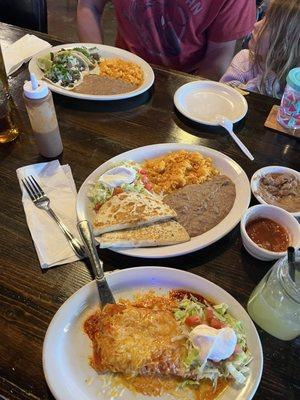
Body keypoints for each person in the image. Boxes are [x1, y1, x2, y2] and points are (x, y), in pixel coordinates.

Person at [77, 0, 256, 81]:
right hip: (121, 70)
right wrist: (97, 68)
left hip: (188, 78)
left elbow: (217, 60)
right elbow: (89, 6)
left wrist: (188, 96)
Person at [221, 0, 300, 98]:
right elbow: (223, 93)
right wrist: (264, 84)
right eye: (263, 17)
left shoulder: (296, 79)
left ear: (287, 43)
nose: (256, 24)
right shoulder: (245, 61)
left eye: (269, 24)